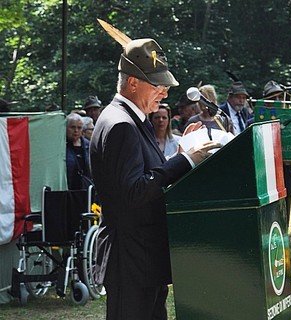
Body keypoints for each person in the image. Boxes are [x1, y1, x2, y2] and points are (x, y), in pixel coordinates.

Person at [90, 37, 216, 320]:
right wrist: (185, 161)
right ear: (133, 82)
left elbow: (144, 175)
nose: (164, 94)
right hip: (132, 260)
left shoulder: (131, 118)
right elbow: (134, 192)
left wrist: (181, 154)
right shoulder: (121, 124)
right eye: (157, 85)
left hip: (143, 259)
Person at [262, 80, 291, 227]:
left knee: (286, 201)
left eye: (280, 97)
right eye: (273, 98)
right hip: (266, 170)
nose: (278, 101)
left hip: (286, 167)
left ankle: (284, 231)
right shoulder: (255, 119)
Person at [66, 113, 91, 190]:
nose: (76, 130)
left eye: (79, 128)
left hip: (85, 189)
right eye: (72, 127)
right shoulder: (60, 146)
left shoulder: (88, 145)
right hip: (67, 188)